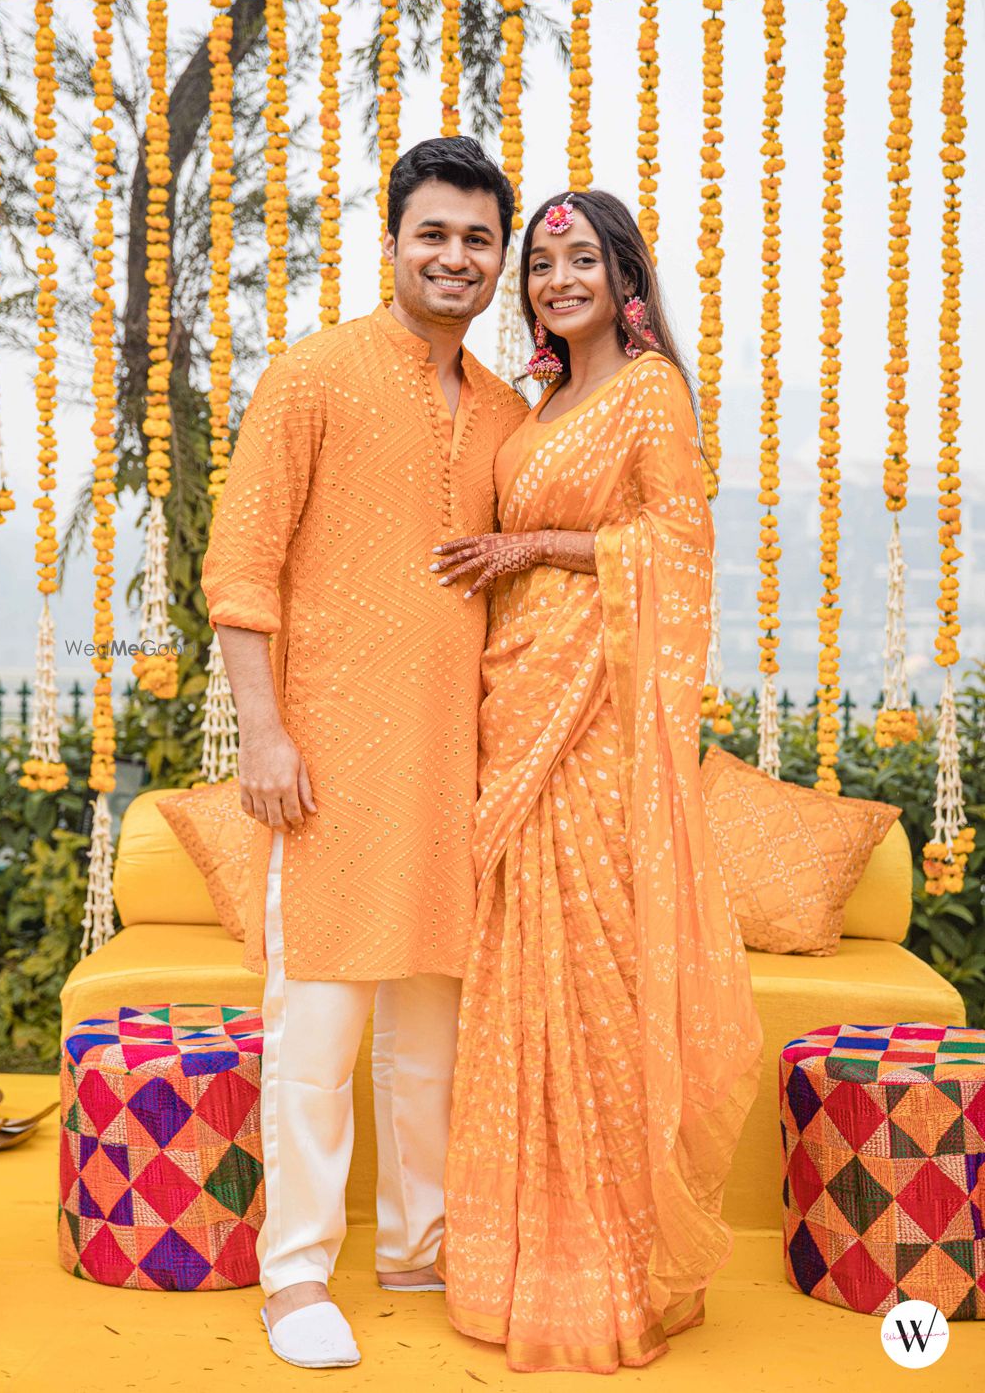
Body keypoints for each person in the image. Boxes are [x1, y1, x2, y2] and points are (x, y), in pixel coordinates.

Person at [200, 136, 528, 1370]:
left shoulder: (504, 413)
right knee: (319, 1031)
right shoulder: (313, 376)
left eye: (477, 238)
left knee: (431, 1036)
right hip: (326, 768)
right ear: (390, 242)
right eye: (432, 233)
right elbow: (241, 571)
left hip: (457, 775)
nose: (455, 256)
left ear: (499, 259)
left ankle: (416, 1245)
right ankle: (292, 1275)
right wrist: (266, 734)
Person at [431, 189, 763, 1374]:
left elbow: (677, 543)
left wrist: (532, 546)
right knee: (521, 979)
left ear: (623, 276)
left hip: (598, 720)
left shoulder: (649, 390)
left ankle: (612, 1266)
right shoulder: (538, 402)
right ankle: (509, 1258)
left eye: (578, 260)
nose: (553, 279)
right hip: (515, 702)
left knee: (601, 988)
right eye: (541, 264)